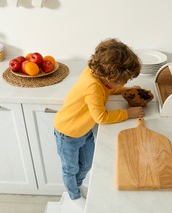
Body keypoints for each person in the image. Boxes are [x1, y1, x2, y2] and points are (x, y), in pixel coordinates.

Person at [54, 38, 145, 202]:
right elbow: (101, 117)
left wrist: (125, 89)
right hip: (67, 134)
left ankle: (78, 185)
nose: (124, 83)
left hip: (84, 130)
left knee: (87, 164)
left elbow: (108, 88)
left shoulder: (99, 77)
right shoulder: (93, 86)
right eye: (123, 81)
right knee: (71, 168)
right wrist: (128, 114)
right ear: (109, 76)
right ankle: (73, 196)